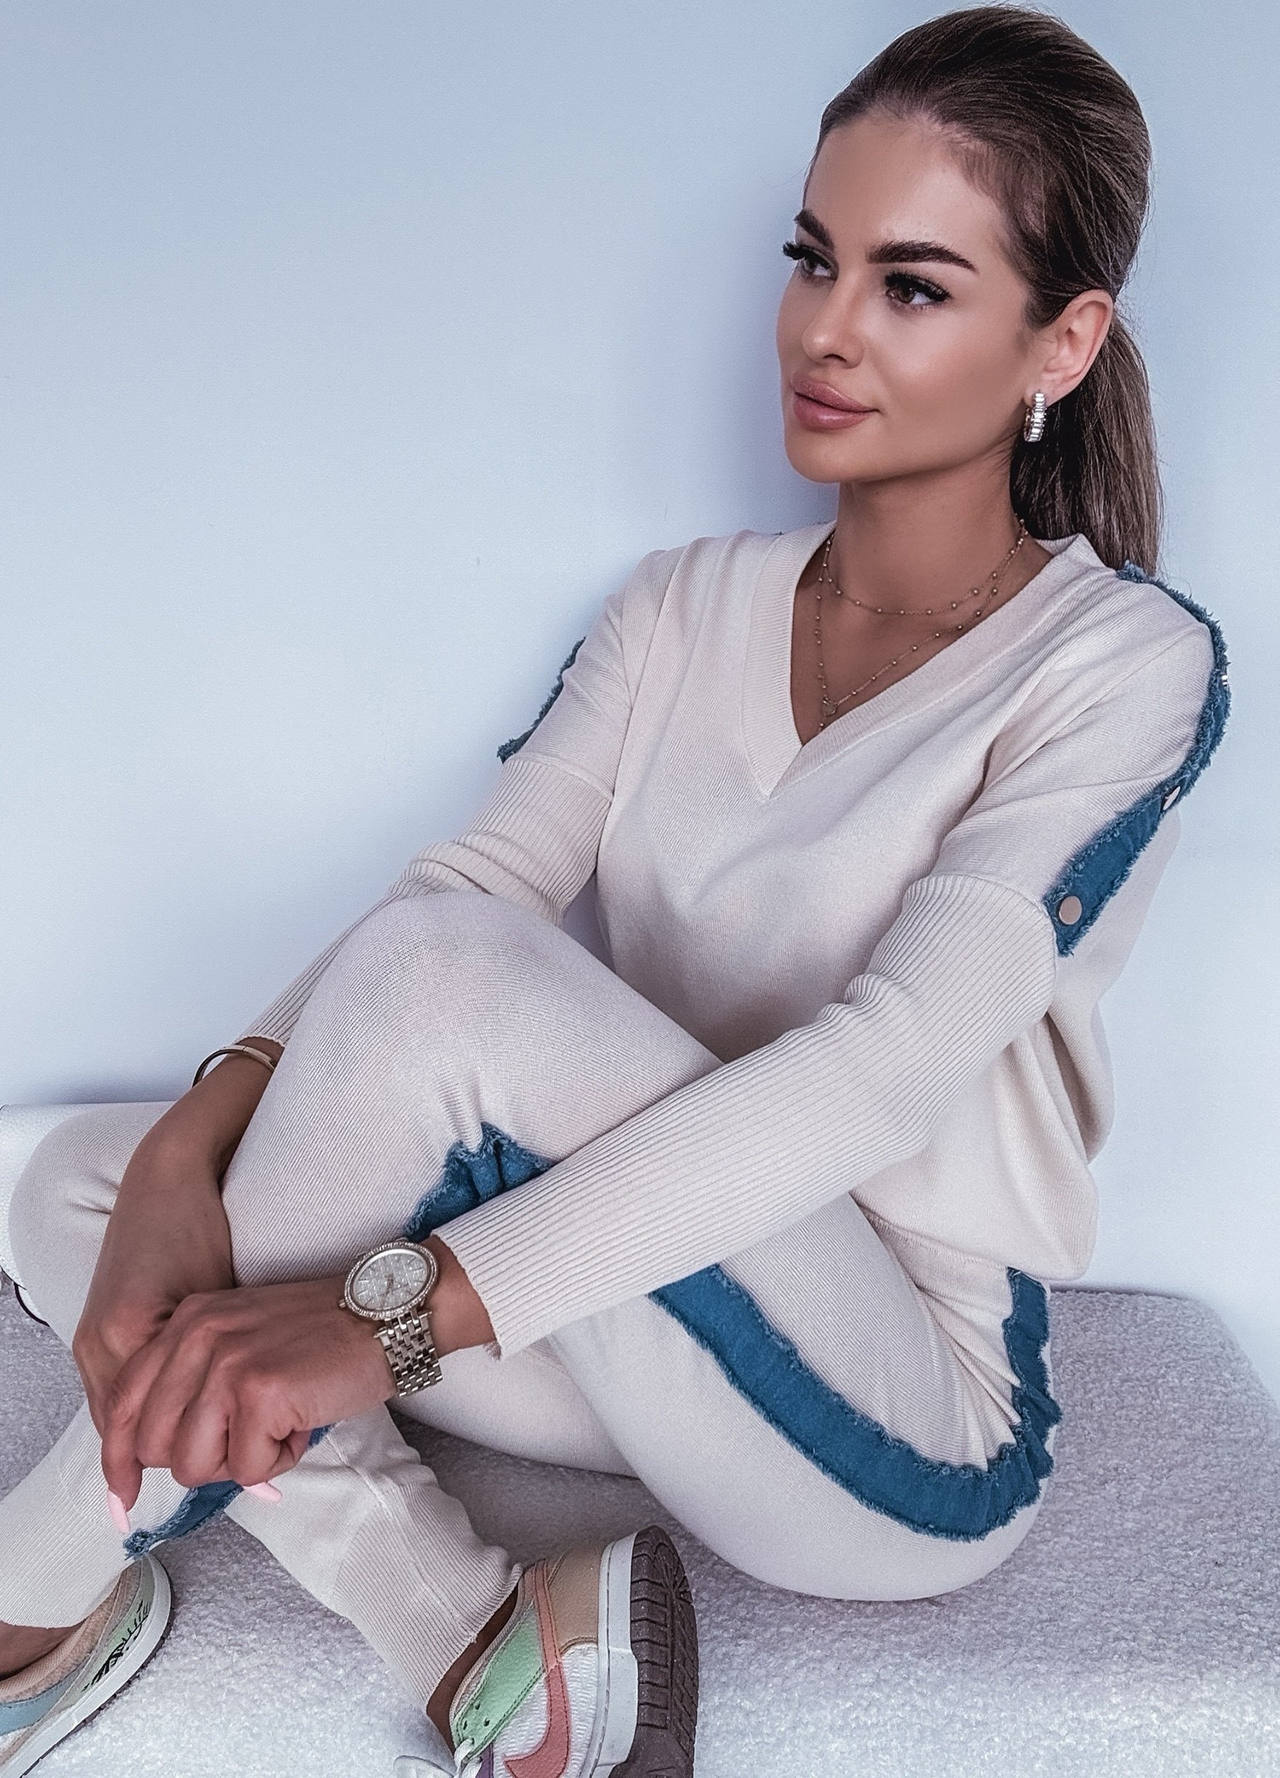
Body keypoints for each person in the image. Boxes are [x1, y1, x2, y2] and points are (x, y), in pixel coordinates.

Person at [0, 7, 1232, 1777]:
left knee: (446, 978)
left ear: (1066, 339)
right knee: (78, 1180)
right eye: (812, 258)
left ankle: (23, 1600)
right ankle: (480, 1641)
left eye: (911, 285)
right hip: (631, 1325)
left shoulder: (1119, 664)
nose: (823, 327)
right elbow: (476, 878)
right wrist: (191, 1146)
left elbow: (875, 1072)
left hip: (894, 1424)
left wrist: (380, 1317)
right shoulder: (680, 605)